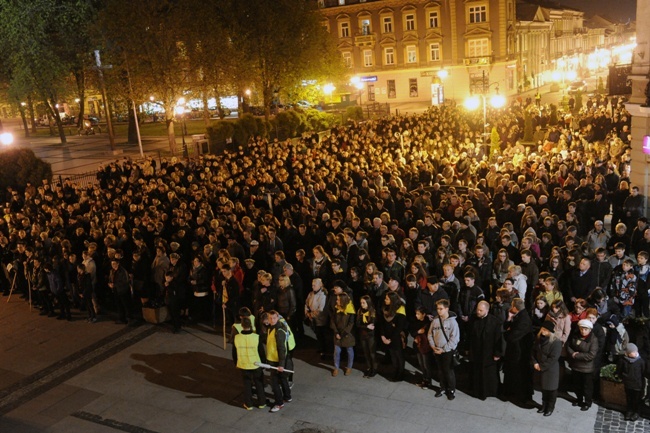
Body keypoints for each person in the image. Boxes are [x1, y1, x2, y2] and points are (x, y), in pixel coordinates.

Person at [467, 300, 504, 400]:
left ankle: (490, 391)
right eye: (477, 310)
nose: (478, 312)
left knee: (488, 373)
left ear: (487, 310)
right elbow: (470, 334)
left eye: (481, 310)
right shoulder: (473, 319)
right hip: (476, 350)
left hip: (489, 352)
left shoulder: (494, 322)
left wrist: (497, 353)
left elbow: (498, 339)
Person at [502, 298, 534, 405]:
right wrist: (509, 319)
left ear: (515, 308)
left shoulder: (523, 319)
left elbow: (511, 337)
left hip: (520, 353)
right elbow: (507, 327)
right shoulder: (519, 316)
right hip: (515, 351)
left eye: (512, 306)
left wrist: (507, 333)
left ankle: (521, 395)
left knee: (520, 374)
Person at [428, 298, 460, 400]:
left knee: (448, 371)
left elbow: (454, 338)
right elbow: (430, 334)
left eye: (441, 308)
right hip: (436, 349)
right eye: (437, 308)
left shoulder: (453, 323)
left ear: (447, 309)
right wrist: (433, 346)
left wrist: (444, 349)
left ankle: (451, 390)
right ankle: (442, 387)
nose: (438, 310)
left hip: (447, 351)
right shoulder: (435, 321)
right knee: (440, 370)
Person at [232, 317, 266, 410]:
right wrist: (263, 363)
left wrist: (236, 363)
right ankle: (262, 403)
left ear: (242, 325)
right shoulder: (256, 337)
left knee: (247, 385)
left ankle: (249, 404)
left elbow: (234, 353)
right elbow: (261, 352)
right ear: (250, 325)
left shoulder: (237, 338)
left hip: (243, 364)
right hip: (256, 364)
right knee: (259, 383)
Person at [531, 320, 562, 416]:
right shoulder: (539, 338)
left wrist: (541, 366)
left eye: (546, 330)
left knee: (551, 389)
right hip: (540, 367)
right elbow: (533, 352)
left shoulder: (556, 342)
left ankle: (550, 407)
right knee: (544, 389)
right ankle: (544, 405)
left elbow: (553, 358)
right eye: (543, 329)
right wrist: (535, 363)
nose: (544, 331)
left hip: (550, 369)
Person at [566, 319, 599, 411]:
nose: (583, 331)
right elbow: (569, 346)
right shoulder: (576, 336)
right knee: (577, 384)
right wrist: (572, 353)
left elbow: (591, 355)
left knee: (587, 386)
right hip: (576, 366)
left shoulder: (593, 340)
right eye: (581, 329)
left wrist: (577, 355)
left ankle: (587, 402)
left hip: (586, 368)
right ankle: (579, 399)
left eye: (585, 329)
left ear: (589, 330)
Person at [265, 310, 292, 413]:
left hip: (276, 361)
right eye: (270, 318)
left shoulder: (278, 331)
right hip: (275, 359)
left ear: (278, 318)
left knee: (275, 383)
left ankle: (279, 403)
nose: (272, 320)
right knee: (283, 378)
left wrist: (281, 364)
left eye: (274, 318)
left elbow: (281, 349)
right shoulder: (272, 328)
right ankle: (287, 396)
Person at [379, 291, 408, 382]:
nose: (385, 300)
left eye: (387, 299)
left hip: (397, 338)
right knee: (393, 356)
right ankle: (395, 370)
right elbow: (382, 324)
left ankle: (400, 373)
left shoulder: (400, 310)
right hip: (387, 336)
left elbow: (399, 327)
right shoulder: (385, 308)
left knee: (399, 355)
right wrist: (383, 336)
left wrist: (391, 339)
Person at [616, 343, 647, 421]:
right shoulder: (623, 360)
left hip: (637, 384)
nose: (635, 353)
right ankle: (629, 411)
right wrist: (621, 377)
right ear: (627, 353)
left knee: (636, 399)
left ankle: (636, 412)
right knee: (629, 398)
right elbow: (619, 370)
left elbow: (643, 372)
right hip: (628, 384)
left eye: (636, 351)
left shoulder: (640, 361)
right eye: (633, 352)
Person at [331, 292, 355, 377]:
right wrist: (336, 332)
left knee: (349, 350)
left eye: (338, 299)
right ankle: (336, 368)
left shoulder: (350, 310)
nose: (336, 301)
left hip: (347, 334)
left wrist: (343, 333)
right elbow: (333, 321)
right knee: (337, 351)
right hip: (338, 333)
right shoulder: (336, 308)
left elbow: (351, 324)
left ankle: (349, 367)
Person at [411, 306, 433, 389]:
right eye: (416, 314)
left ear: (424, 314)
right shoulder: (415, 322)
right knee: (421, 364)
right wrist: (417, 332)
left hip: (425, 346)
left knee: (426, 364)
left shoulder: (428, 323)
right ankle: (424, 379)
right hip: (418, 345)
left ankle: (428, 381)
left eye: (418, 314)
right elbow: (412, 331)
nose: (416, 315)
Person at [305, 278, 328, 357]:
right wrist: (307, 312)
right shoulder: (311, 294)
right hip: (313, 317)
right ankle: (320, 347)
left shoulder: (322, 295)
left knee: (321, 334)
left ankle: (324, 350)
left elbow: (321, 309)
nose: (313, 287)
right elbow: (306, 303)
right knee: (317, 334)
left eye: (314, 285)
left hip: (320, 319)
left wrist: (312, 315)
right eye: (312, 285)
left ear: (320, 285)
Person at [356, 295, 377, 378]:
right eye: (361, 303)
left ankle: (374, 368)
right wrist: (365, 326)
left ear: (368, 303)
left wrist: (365, 326)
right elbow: (358, 324)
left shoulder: (372, 312)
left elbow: (372, 325)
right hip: (363, 335)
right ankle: (369, 368)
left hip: (370, 336)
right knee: (366, 352)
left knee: (372, 353)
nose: (362, 304)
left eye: (364, 303)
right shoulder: (359, 311)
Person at [108, 258, 132, 324]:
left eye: (114, 263)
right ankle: (121, 318)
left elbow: (124, 282)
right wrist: (110, 283)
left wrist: (114, 284)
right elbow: (110, 279)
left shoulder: (123, 271)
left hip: (122, 290)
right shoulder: (112, 271)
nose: (113, 265)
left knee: (125, 305)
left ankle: (128, 318)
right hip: (116, 290)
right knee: (119, 305)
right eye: (112, 264)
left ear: (118, 263)